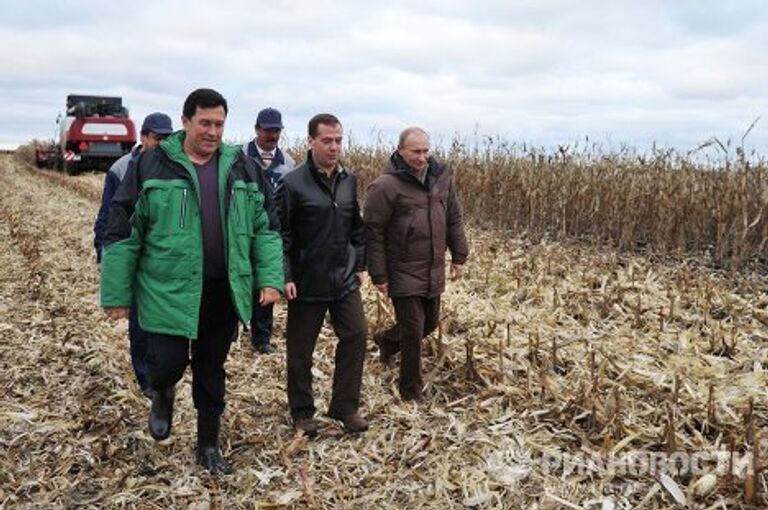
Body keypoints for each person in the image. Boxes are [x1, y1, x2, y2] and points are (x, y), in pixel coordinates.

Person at [100, 88, 283, 474]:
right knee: (165, 362)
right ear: (185, 122)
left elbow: (266, 228)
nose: (213, 131)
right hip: (167, 288)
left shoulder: (243, 168)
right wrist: (116, 293)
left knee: (211, 369)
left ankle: (208, 444)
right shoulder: (151, 165)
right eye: (205, 123)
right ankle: (163, 391)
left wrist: (270, 279)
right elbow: (122, 229)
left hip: (221, 290)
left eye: (219, 124)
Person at [276, 113, 368, 436]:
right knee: (301, 350)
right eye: (327, 140)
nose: (334, 147)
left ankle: (345, 407)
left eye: (338, 140)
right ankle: (302, 412)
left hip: (343, 279)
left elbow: (356, 228)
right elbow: (281, 235)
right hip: (306, 281)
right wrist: (285, 274)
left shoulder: (349, 180)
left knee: (356, 334)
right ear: (310, 142)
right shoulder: (292, 184)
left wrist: (359, 265)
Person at [363, 127, 469, 402]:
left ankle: (386, 341)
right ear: (400, 151)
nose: (422, 157)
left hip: (432, 266)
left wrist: (459, 255)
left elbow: (453, 217)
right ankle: (410, 391)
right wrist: (378, 273)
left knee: (429, 324)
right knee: (412, 330)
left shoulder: (442, 178)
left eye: (425, 151)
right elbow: (372, 232)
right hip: (402, 268)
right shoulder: (386, 186)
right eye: (415, 152)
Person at [93, 112, 174, 399]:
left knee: (162, 323)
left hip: (162, 257)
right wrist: (105, 255)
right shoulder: (121, 168)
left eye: (168, 138)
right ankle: (146, 380)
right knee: (139, 323)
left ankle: (163, 374)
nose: (163, 143)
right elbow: (108, 216)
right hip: (132, 253)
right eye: (157, 138)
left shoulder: (175, 166)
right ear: (143, 137)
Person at [242, 107, 296, 354]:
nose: (272, 135)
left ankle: (261, 339)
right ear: (257, 130)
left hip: (271, 229)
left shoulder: (288, 163)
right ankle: (232, 331)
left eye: (276, 131)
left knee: (267, 280)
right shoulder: (240, 156)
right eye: (267, 130)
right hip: (243, 227)